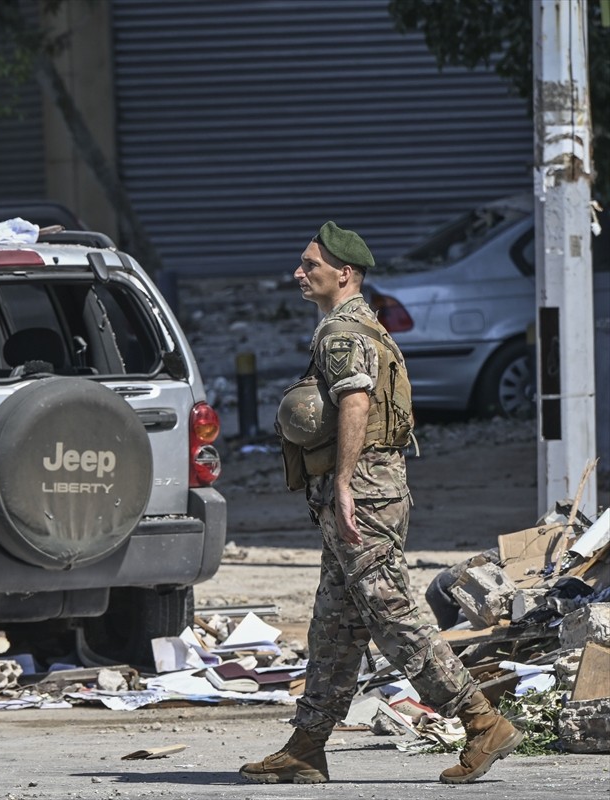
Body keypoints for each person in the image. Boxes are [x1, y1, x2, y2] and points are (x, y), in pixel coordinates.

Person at [240, 222, 523, 785]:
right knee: (335, 624)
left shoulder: (342, 333)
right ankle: (307, 745)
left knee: (392, 612)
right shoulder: (360, 326)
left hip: (363, 489)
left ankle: (481, 720)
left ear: (342, 273)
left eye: (310, 265)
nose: (299, 273)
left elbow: (355, 404)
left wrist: (342, 484)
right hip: (369, 485)